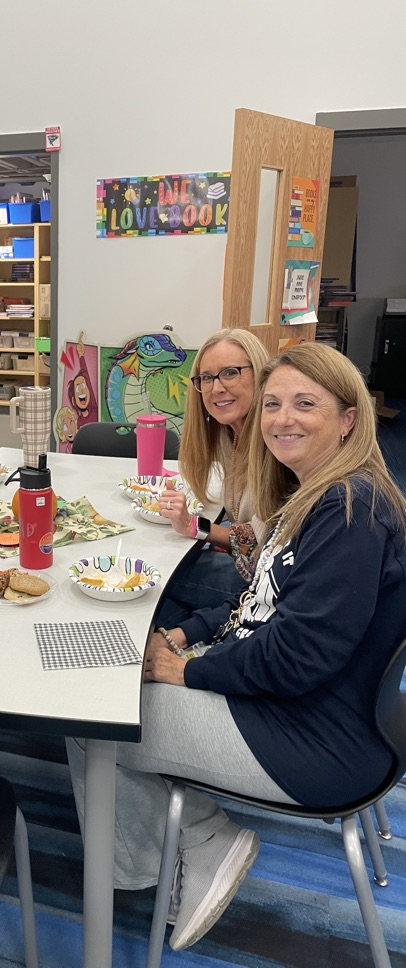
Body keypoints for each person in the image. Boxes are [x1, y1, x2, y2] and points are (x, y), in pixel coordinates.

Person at [67, 343, 406, 952]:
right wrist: (185, 636)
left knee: (91, 715)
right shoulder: (317, 494)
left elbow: (296, 657)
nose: (282, 418)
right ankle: (161, 858)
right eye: (274, 403)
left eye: (306, 404)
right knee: (121, 672)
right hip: (301, 708)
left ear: (348, 418)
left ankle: (198, 843)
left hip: (313, 741)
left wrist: (185, 674)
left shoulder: (350, 511)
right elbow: (257, 603)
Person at [155, 328, 270, 627]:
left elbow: (256, 546)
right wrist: (196, 527)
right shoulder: (230, 437)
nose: (216, 387)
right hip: (252, 569)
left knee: (159, 579)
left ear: (259, 374)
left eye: (230, 373)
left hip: (268, 588)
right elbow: (248, 535)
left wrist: (197, 528)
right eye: (206, 377)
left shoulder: (274, 447)